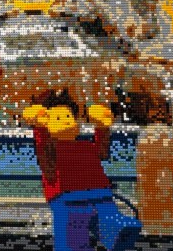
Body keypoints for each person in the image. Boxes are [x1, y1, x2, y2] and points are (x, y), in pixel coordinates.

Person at [23, 97, 142, 251]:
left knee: (108, 220)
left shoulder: (85, 145)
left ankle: (116, 230)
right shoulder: (52, 149)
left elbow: (102, 152)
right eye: (59, 118)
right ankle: (113, 231)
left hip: (99, 194)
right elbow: (44, 154)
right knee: (73, 235)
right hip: (68, 198)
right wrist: (39, 129)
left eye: (69, 117)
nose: (67, 122)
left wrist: (102, 127)